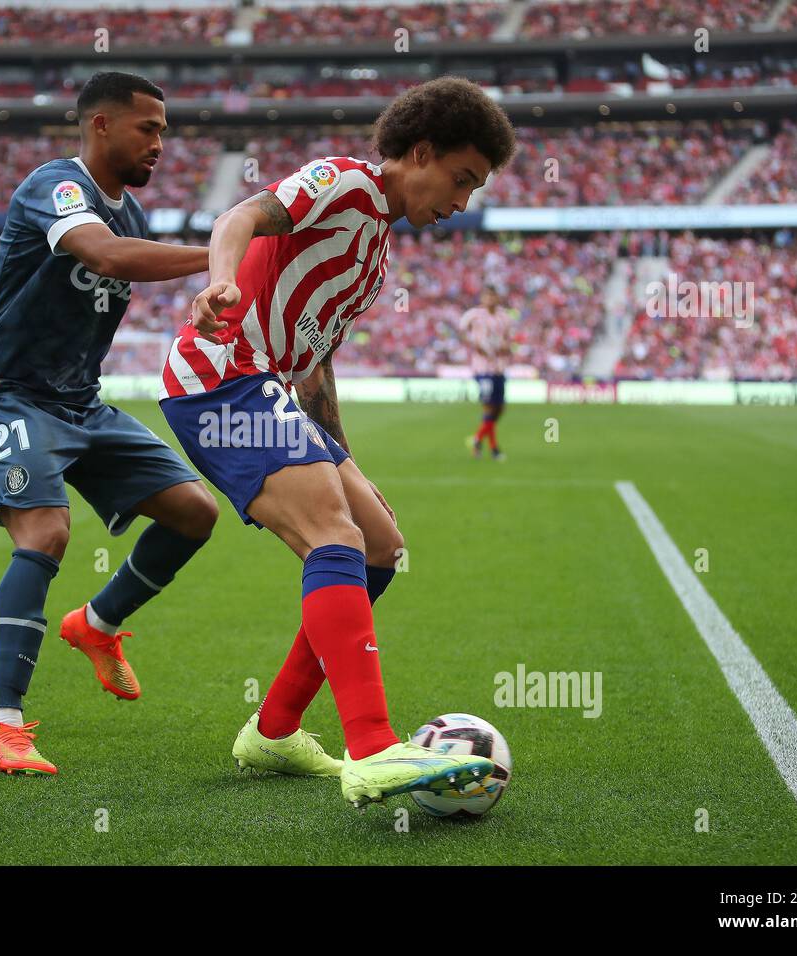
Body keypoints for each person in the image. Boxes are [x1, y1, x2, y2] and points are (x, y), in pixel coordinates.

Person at [158, 77, 518, 808]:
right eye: (461, 179)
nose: (462, 202)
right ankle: (373, 747)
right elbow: (240, 216)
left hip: (271, 388)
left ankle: (275, 729)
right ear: (418, 152)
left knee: (380, 542)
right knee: (334, 536)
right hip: (219, 378)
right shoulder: (344, 182)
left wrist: (345, 457)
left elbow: (315, 361)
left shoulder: (378, 253)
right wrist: (222, 284)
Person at [0, 72, 219, 776]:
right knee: (46, 531)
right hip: (10, 395)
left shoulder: (132, 216)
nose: (162, 143)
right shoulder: (56, 186)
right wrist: (227, 249)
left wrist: (206, 300)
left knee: (195, 512)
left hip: (82, 403)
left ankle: (96, 626)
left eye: (165, 129)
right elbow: (103, 257)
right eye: (150, 128)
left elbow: (130, 261)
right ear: (101, 125)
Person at [462, 287, 512, 460]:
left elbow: (508, 339)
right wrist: (474, 344)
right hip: (482, 368)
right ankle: (494, 448)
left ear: (497, 297)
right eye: (487, 296)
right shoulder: (474, 315)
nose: (490, 299)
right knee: (489, 406)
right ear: (482, 298)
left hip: (499, 367)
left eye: (493, 295)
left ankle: (477, 439)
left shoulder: (504, 317)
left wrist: (507, 347)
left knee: (499, 408)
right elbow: (462, 331)